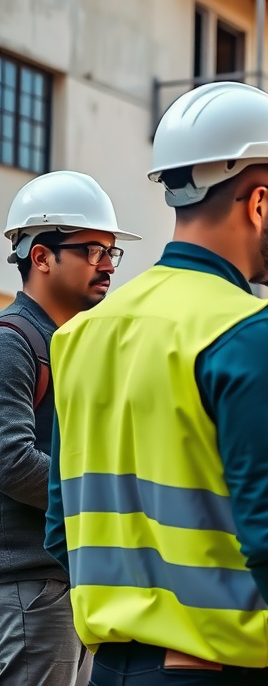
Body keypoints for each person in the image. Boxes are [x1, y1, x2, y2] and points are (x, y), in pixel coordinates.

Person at [44, 82, 268, 685]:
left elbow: (62, 526)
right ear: (260, 202)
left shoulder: (80, 336)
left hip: (110, 670)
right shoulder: (252, 332)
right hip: (221, 671)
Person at [0, 171, 139, 685]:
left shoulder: (69, 343)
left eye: (111, 252)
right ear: (40, 257)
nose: (107, 264)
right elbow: (11, 463)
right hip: (29, 589)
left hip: (63, 585)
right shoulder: (14, 342)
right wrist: (104, 495)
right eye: (92, 250)